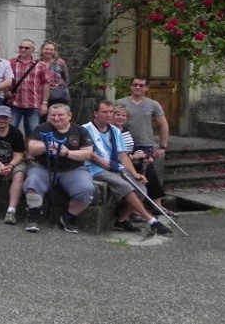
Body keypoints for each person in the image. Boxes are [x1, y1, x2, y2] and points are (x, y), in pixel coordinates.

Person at [84, 101, 172, 235]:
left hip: (114, 166)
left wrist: (134, 173)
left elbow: (122, 155)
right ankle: (152, 221)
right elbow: (91, 155)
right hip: (95, 168)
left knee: (141, 187)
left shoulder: (114, 131)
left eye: (110, 112)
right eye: (104, 112)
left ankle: (122, 219)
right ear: (96, 113)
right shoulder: (85, 129)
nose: (109, 115)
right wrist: (109, 166)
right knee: (124, 185)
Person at [23, 103, 94, 234]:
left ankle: (68, 217)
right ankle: (33, 214)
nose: (56, 118)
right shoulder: (41, 128)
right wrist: (48, 144)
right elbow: (32, 148)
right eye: (53, 115)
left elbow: (87, 153)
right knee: (32, 182)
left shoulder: (80, 130)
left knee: (87, 189)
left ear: (69, 116)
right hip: (44, 167)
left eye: (60, 115)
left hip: (73, 169)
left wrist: (67, 153)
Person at [116, 76, 175, 216]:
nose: (138, 87)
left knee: (149, 174)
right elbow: (113, 119)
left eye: (141, 85)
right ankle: (137, 209)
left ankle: (157, 205)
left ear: (147, 88)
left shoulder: (153, 104)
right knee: (135, 176)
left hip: (145, 144)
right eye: (135, 85)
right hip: (126, 144)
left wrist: (163, 146)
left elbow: (163, 124)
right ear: (130, 86)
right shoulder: (120, 102)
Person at [7, 39, 50, 137]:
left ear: (33, 50)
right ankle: (13, 152)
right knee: (11, 131)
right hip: (14, 103)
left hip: (34, 104)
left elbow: (46, 85)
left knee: (32, 133)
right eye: (20, 47)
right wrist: (6, 92)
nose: (23, 49)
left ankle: (30, 152)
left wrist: (44, 103)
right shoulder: (10, 63)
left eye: (26, 48)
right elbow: (4, 80)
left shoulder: (41, 65)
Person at [39, 41, 70, 122]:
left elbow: (66, 78)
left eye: (51, 49)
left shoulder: (60, 62)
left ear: (55, 51)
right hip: (43, 96)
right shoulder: (37, 63)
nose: (48, 51)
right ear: (42, 50)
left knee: (59, 118)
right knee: (43, 119)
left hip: (59, 96)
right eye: (46, 49)